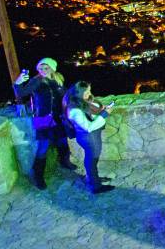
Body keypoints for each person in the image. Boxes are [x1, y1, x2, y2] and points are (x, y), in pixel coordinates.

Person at [13, 57, 76, 189]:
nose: (43, 70)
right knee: (43, 147)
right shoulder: (36, 81)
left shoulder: (58, 78)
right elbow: (22, 93)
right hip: (43, 119)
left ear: (52, 68)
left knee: (62, 141)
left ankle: (65, 162)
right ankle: (38, 177)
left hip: (59, 117)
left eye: (46, 67)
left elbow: (65, 95)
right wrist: (18, 83)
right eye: (41, 68)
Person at [63, 81, 115, 194]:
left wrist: (102, 109)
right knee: (92, 160)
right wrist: (105, 114)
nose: (89, 93)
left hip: (92, 136)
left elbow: (90, 112)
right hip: (88, 137)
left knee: (92, 159)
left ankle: (93, 178)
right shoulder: (74, 109)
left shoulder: (81, 102)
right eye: (86, 91)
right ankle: (95, 186)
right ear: (79, 92)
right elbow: (88, 127)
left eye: (89, 90)